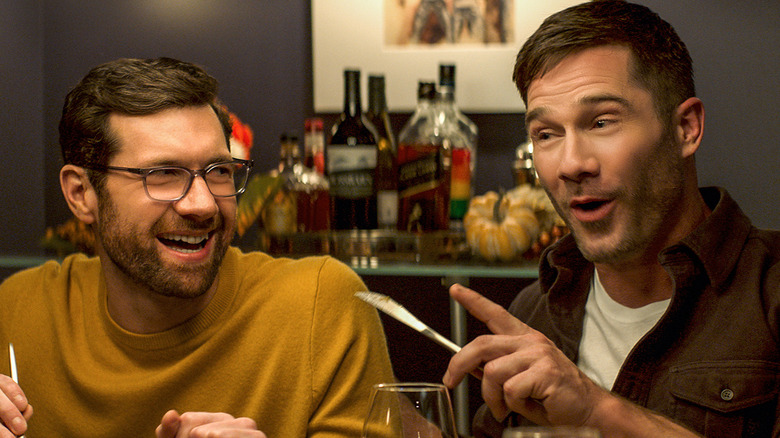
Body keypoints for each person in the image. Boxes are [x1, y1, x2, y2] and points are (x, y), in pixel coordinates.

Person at [0, 57, 395, 437]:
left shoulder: (320, 307)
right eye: (164, 174)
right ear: (81, 192)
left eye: (218, 171)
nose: (204, 204)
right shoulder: (19, 311)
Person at [442, 1, 780, 437]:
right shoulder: (535, 310)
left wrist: (598, 410)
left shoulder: (769, 295)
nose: (571, 163)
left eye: (601, 122)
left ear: (686, 128)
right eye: (546, 134)